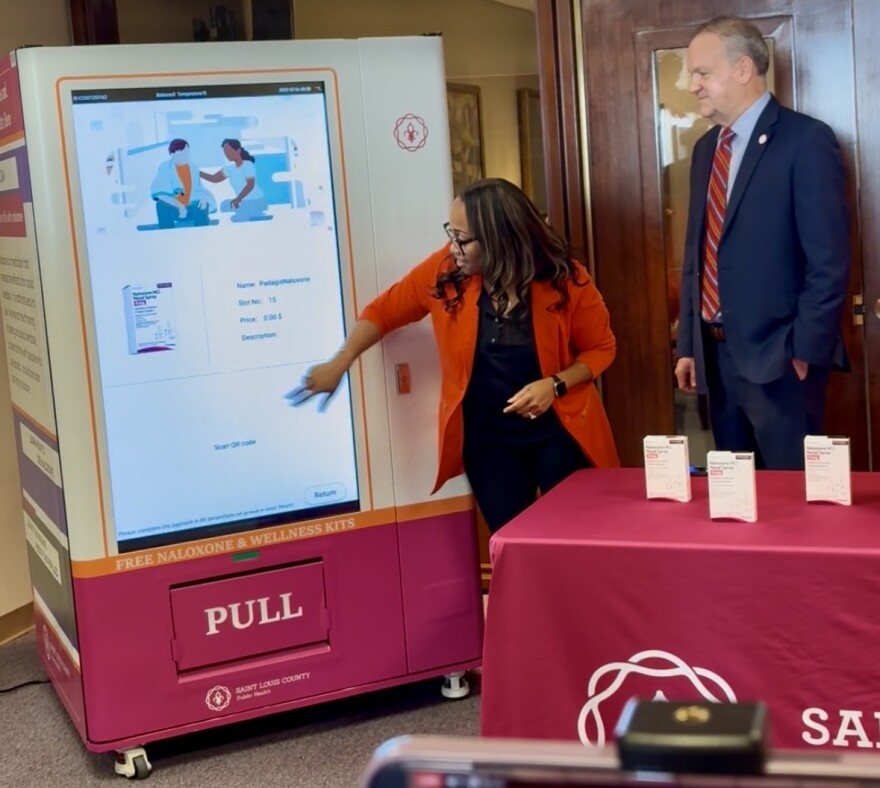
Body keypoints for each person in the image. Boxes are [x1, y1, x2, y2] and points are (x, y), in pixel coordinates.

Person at [291, 178, 619, 533]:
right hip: (489, 440)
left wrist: (553, 385)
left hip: (560, 431)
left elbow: (601, 348)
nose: (453, 247)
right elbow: (383, 312)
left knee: (573, 538)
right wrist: (340, 362)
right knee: (510, 541)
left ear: (499, 239)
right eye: (451, 233)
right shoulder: (445, 273)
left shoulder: (565, 280)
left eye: (462, 239)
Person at [674, 16, 850, 470]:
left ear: (744, 68)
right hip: (717, 358)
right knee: (736, 504)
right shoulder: (705, 150)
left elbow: (828, 262)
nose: (691, 85)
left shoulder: (805, 140)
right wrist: (689, 345)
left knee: (794, 506)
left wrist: (804, 352)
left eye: (702, 73)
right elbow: (699, 255)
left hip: (781, 362)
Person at [149, 139, 215, 228]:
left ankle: (201, 233)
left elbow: (199, 189)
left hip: (190, 209)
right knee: (161, 205)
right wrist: (179, 206)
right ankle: (167, 234)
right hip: (174, 210)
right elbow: (160, 194)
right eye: (183, 153)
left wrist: (204, 197)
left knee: (204, 202)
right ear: (173, 153)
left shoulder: (193, 168)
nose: (186, 155)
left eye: (187, 152)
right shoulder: (165, 167)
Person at [200, 139, 269, 222]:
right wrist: (198, 173)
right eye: (225, 152)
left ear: (238, 150)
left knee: (237, 218)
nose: (226, 154)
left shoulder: (247, 164)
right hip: (243, 201)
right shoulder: (230, 169)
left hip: (256, 200)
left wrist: (238, 199)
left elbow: (250, 185)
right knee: (224, 206)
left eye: (228, 151)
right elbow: (214, 178)